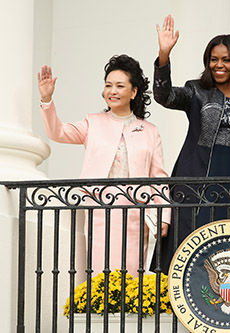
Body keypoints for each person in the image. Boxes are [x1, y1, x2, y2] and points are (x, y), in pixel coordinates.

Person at [151, 15, 230, 273]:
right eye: (214, 59)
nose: (219, 65)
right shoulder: (196, 90)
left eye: (226, 59)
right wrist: (163, 56)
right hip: (194, 181)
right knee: (189, 253)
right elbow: (164, 95)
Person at [38, 55, 170, 277]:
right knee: (99, 271)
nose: (113, 91)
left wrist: (163, 214)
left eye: (120, 86)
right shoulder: (93, 122)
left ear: (134, 92)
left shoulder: (150, 131)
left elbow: (158, 177)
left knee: (131, 274)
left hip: (136, 213)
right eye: (108, 85)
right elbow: (57, 132)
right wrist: (47, 100)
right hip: (98, 208)